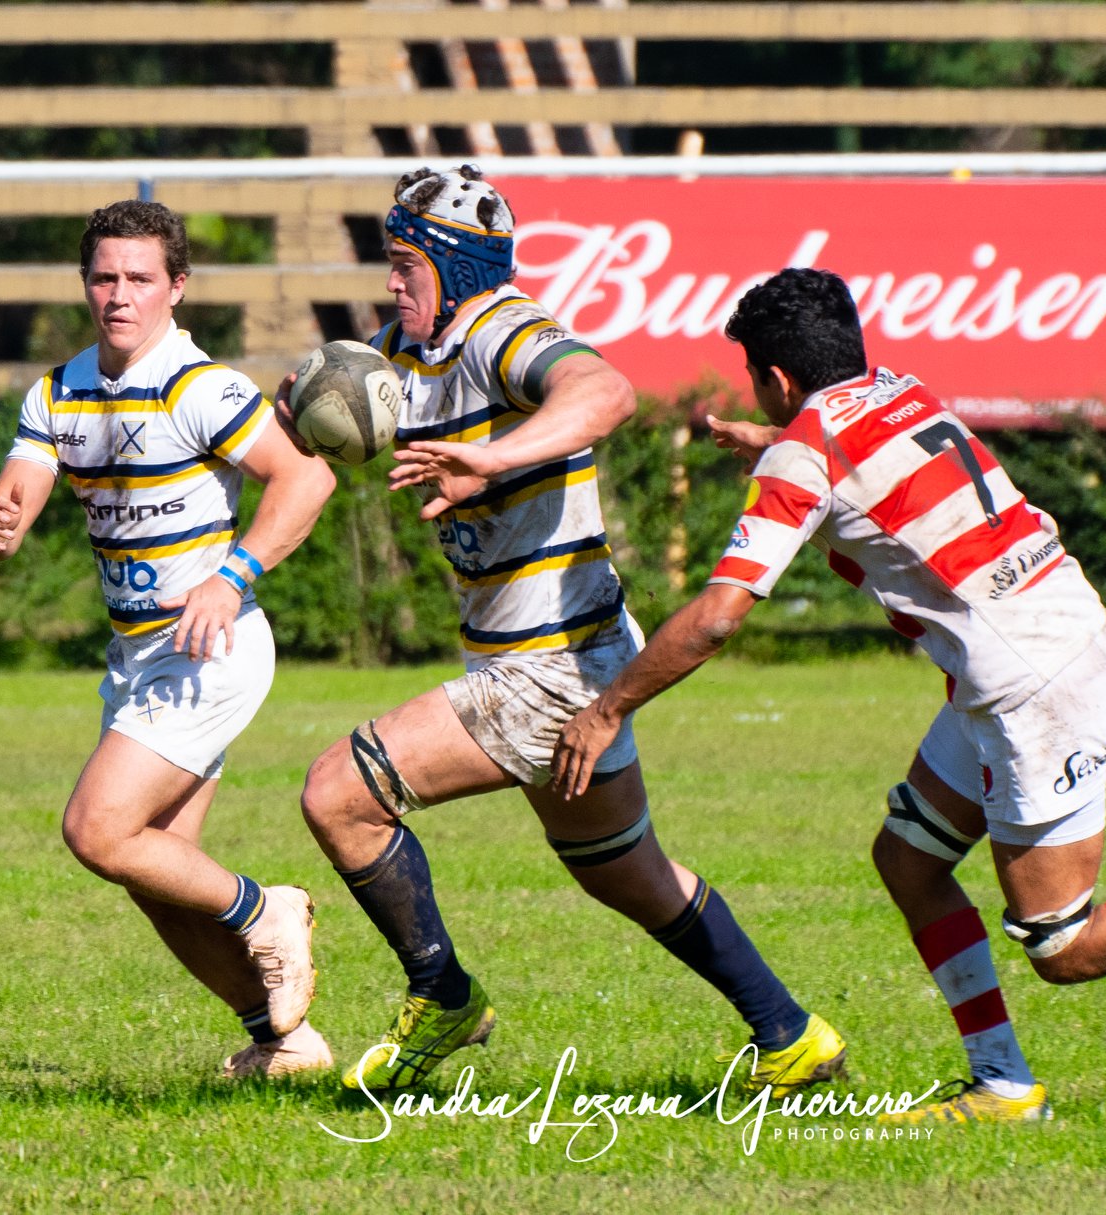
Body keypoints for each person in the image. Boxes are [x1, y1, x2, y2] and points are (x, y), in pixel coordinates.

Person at [553, 267, 1106, 1124]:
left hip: (1032, 681)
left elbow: (715, 617)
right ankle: (1001, 1084)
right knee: (909, 859)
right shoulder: (898, 390)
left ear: (775, 377)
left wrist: (607, 707)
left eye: (753, 376)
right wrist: (776, 441)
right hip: (1043, 636)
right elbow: (848, 455)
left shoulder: (803, 454)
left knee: (1063, 944)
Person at [285, 167, 844, 1095]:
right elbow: (310, 409)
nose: (390, 282)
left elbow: (605, 392)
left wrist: (492, 458)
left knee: (339, 792)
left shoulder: (503, 329)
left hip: (545, 667)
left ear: (454, 269)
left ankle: (442, 994)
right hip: (578, 655)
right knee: (626, 872)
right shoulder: (400, 350)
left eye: (405, 265)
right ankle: (790, 1033)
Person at [0, 200, 338, 1079]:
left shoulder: (199, 387)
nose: (119, 295)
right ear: (84, 284)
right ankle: (283, 1041)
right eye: (104, 277)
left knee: (97, 829)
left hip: (211, 650)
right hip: (137, 659)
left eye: (140, 278)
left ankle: (268, 908)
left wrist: (231, 575)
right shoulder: (58, 392)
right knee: (155, 872)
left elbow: (306, 479)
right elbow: (22, 481)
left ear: (176, 287)